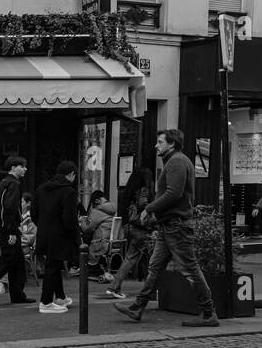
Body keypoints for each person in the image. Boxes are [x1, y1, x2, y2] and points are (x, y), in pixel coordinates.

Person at [115, 129, 219, 327]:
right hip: (169, 225)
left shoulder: (177, 162)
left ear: (172, 144)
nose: (156, 145)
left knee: (190, 270)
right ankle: (137, 307)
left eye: (160, 142)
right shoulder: (175, 161)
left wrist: (149, 208)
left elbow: (174, 193)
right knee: (155, 268)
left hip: (176, 225)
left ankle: (208, 312)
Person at [34, 162, 80, 314]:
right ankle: (46, 302)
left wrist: (43, 225)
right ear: (71, 174)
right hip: (60, 235)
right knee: (53, 267)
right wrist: (75, 236)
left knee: (54, 264)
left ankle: (60, 296)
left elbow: (34, 213)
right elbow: (70, 220)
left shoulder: (41, 189)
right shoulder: (69, 192)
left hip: (43, 233)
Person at [0, 157, 34, 304]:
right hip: (9, 229)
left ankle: (18, 295)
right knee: (7, 262)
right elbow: (9, 209)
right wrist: (12, 231)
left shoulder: (3, 183)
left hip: (6, 228)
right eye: (23, 166)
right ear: (14, 167)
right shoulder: (13, 184)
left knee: (17, 263)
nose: (25, 169)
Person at [106, 168, 153, 300]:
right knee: (141, 258)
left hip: (128, 228)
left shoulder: (127, 191)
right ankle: (115, 287)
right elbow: (144, 204)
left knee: (132, 258)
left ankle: (116, 287)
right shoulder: (144, 190)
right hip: (140, 229)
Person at [81, 189, 118, 280]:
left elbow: (87, 229)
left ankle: (80, 267)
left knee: (83, 239)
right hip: (111, 240)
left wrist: (82, 220)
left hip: (101, 241)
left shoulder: (97, 210)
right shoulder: (111, 208)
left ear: (96, 200)